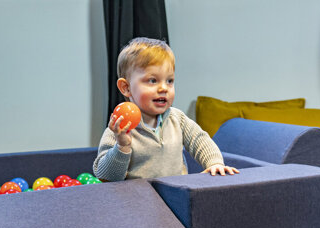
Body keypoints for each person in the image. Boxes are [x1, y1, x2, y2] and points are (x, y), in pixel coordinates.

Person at [93, 37, 239, 181]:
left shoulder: (178, 119)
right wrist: (122, 146)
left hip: (176, 197)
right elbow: (106, 177)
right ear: (126, 87)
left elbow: (200, 140)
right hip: (137, 201)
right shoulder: (119, 129)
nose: (163, 88)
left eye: (169, 81)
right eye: (152, 80)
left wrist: (215, 163)